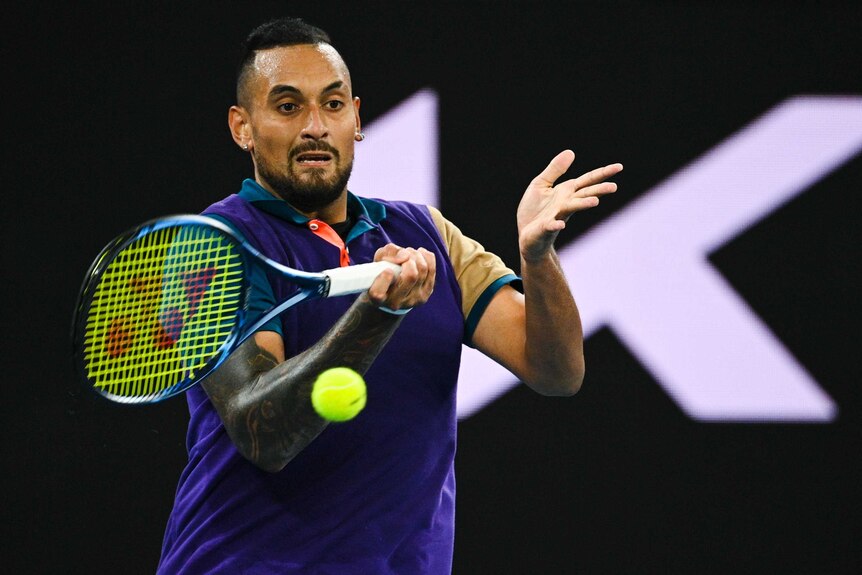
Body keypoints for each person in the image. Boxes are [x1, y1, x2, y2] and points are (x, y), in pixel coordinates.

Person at [157, 16, 622, 574]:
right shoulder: (212, 246)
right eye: (287, 107)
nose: (314, 126)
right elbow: (264, 433)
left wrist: (539, 260)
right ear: (243, 127)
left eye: (332, 105)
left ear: (357, 118)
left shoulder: (429, 234)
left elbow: (557, 371)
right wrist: (377, 314)